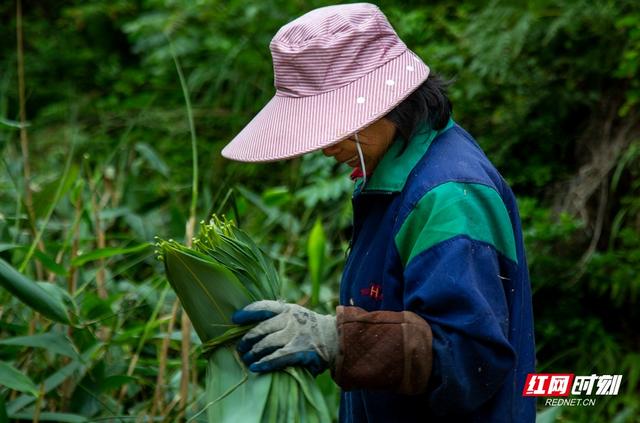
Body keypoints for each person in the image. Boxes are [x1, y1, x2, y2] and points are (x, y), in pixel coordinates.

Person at [222, 3, 535, 422]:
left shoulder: (448, 196)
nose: (325, 146)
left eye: (332, 125)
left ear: (383, 104)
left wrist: (338, 339)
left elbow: (467, 357)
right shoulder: (388, 174)